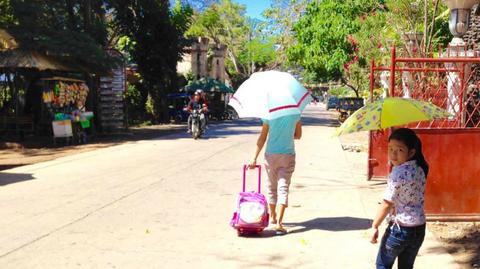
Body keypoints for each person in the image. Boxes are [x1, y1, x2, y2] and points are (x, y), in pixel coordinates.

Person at [370, 128, 429, 269]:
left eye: (400, 150)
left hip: (400, 230)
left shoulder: (398, 173)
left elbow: (386, 203)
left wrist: (375, 225)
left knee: (382, 265)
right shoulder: (420, 168)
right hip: (419, 228)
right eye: (390, 149)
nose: (393, 155)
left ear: (411, 152)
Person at [248, 114, 302, 235]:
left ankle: (273, 216)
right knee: (283, 188)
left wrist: (254, 158)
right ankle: (279, 223)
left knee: (271, 187)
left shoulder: (269, 114)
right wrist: (286, 135)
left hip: (270, 154)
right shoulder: (295, 114)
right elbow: (298, 135)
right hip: (288, 155)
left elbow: (262, 137)